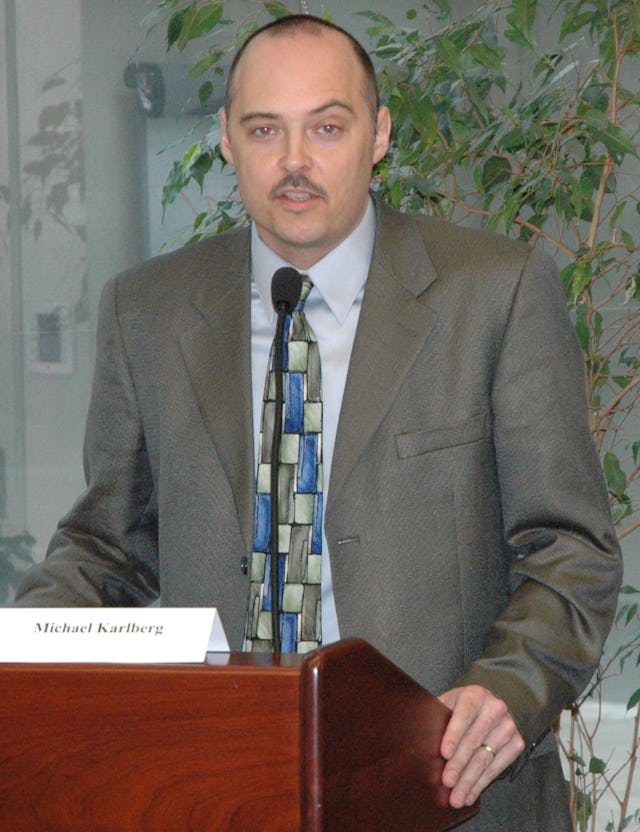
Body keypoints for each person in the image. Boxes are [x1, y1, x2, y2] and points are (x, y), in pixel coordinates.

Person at [15, 14, 622, 830]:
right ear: (226, 139)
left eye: (327, 127)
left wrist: (509, 689)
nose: (295, 162)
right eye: (265, 129)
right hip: (219, 787)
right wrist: (25, 659)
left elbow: (571, 548)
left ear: (379, 135)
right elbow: (107, 546)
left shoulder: (496, 293)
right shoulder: (148, 310)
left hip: (448, 785)